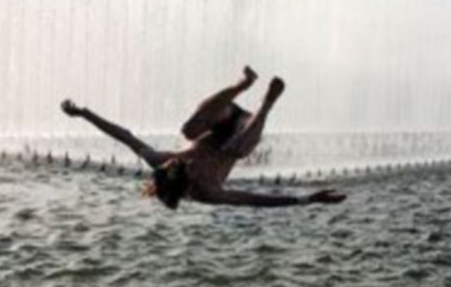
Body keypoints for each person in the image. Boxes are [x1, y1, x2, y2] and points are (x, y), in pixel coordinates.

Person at [60, 66, 346, 210]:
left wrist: (84, 114)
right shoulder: (208, 192)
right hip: (246, 128)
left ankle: (242, 85)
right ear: (187, 182)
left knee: (188, 131)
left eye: (179, 165)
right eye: (186, 171)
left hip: (223, 117)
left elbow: (124, 136)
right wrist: (306, 200)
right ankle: (267, 103)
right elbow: (253, 199)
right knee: (236, 150)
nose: (187, 165)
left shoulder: (161, 160)